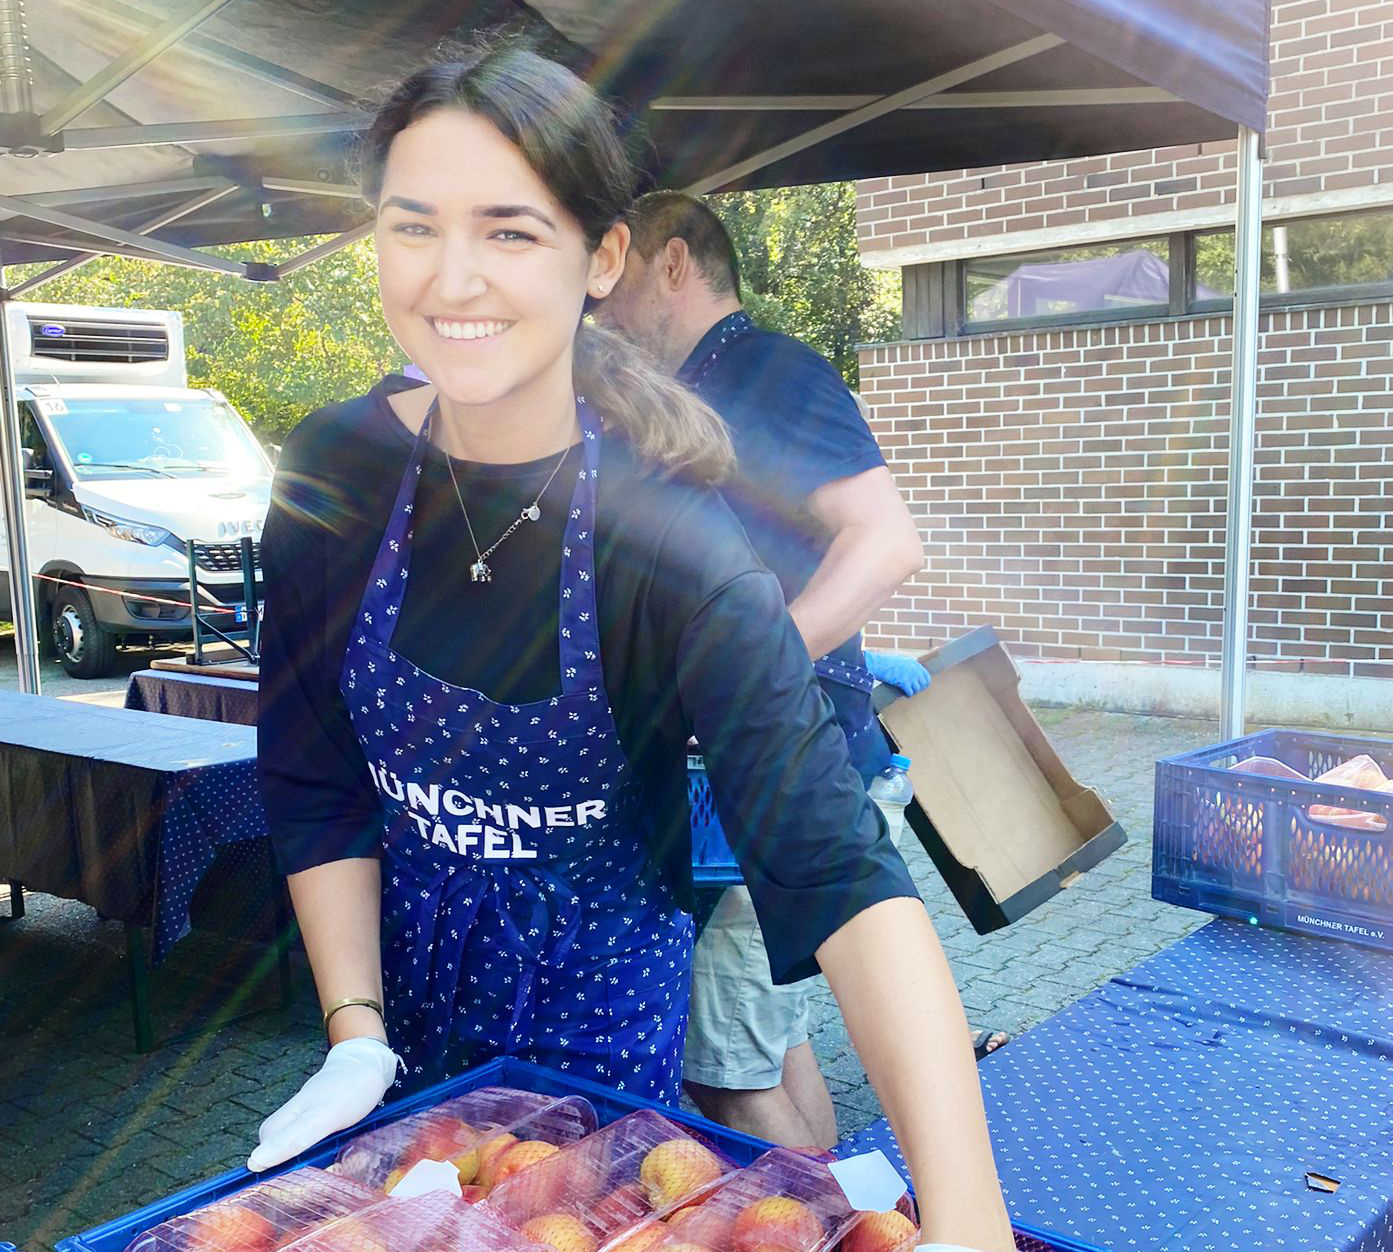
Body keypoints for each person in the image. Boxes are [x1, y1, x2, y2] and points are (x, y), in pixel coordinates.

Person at [250, 44, 1012, 1252]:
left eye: (509, 230)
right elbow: (311, 778)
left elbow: (834, 862)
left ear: (600, 257)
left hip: (599, 1020)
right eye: (413, 226)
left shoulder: (665, 533)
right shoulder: (330, 473)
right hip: (399, 1002)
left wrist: (967, 1214)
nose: (454, 276)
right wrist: (355, 1031)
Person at [599, 193, 1005, 1153]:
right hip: (757, 782)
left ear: (674, 264)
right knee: (773, 1050)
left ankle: (801, 1214)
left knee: (725, 1078)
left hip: (769, 777)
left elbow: (887, 541)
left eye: (617, 282)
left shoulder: (771, 372)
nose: (602, 310)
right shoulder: (693, 389)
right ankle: (835, 1205)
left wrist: (760, 666)